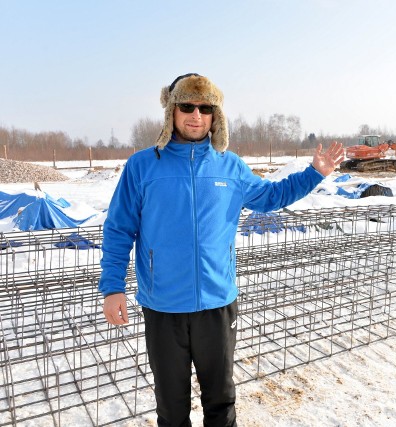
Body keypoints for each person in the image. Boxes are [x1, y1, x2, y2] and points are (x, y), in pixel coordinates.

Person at [98, 73, 344, 427]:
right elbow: (119, 228)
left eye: (205, 108)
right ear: (171, 110)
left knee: (221, 400)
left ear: (216, 116)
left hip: (217, 304)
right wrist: (113, 287)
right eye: (186, 106)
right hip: (163, 305)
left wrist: (313, 174)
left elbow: (271, 196)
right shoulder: (143, 165)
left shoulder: (230, 166)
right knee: (171, 405)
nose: (195, 115)